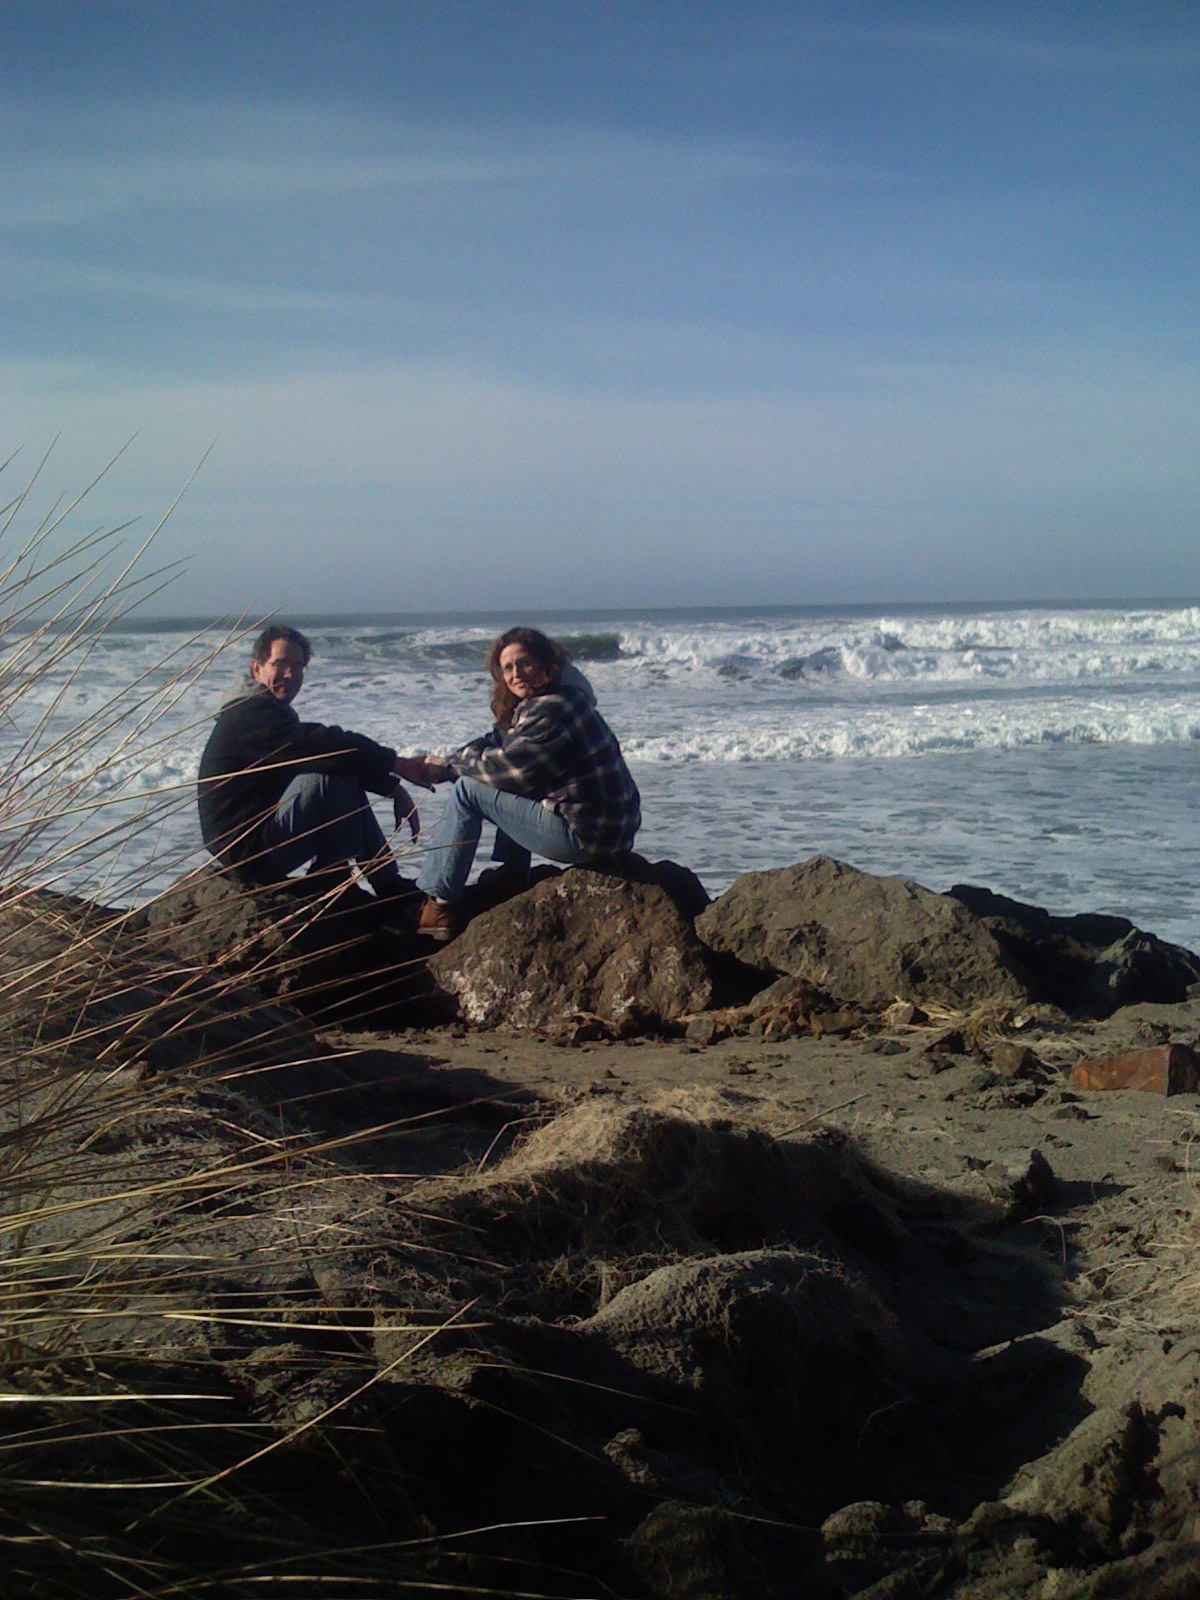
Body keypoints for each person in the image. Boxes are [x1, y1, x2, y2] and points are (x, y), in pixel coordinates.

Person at [415, 626, 641, 939]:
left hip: (586, 838)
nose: (515, 673)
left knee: (470, 790)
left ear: (546, 663)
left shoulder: (553, 709)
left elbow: (510, 772)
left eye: (524, 663)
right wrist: (449, 760)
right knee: (501, 776)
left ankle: (439, 904)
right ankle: (512, 875)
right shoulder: (563, 696)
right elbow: (496, 742)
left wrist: (451, 769)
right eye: (507, 667)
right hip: (608, 833)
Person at [198, 623, 430, 895]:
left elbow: (320, 752)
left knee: (336, 768)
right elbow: (326, 746)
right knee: (334, 776)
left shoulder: (262, 711)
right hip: (250, 856)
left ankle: (385, 884)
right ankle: (338, 879)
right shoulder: (250, 714)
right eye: (280, 664)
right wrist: (398, 766)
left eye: (297, 666)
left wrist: (391, 786)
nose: (289, 674)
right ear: (256, 668)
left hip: (257, 845)